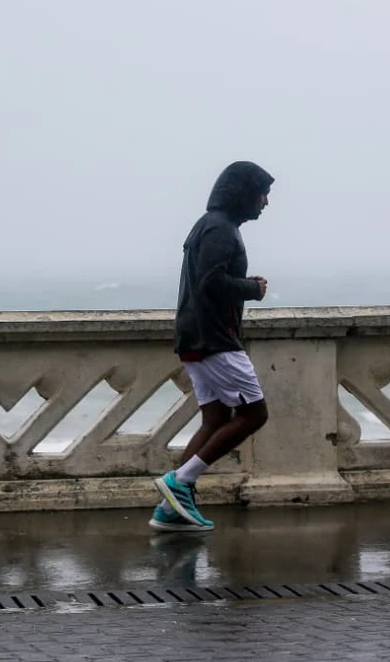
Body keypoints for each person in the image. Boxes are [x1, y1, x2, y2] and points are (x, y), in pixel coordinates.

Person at [150, 160, 274, 532]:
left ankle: (170, 510)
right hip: (215, 340)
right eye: (261, 193)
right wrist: (253, 289)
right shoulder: (221, 229)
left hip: (195, 337)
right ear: (241, 193)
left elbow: (208, 279)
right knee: (255, 415)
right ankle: (179, 482)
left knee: (217, 419)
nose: (266, 202)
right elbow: (210, 281)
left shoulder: (211, 226)